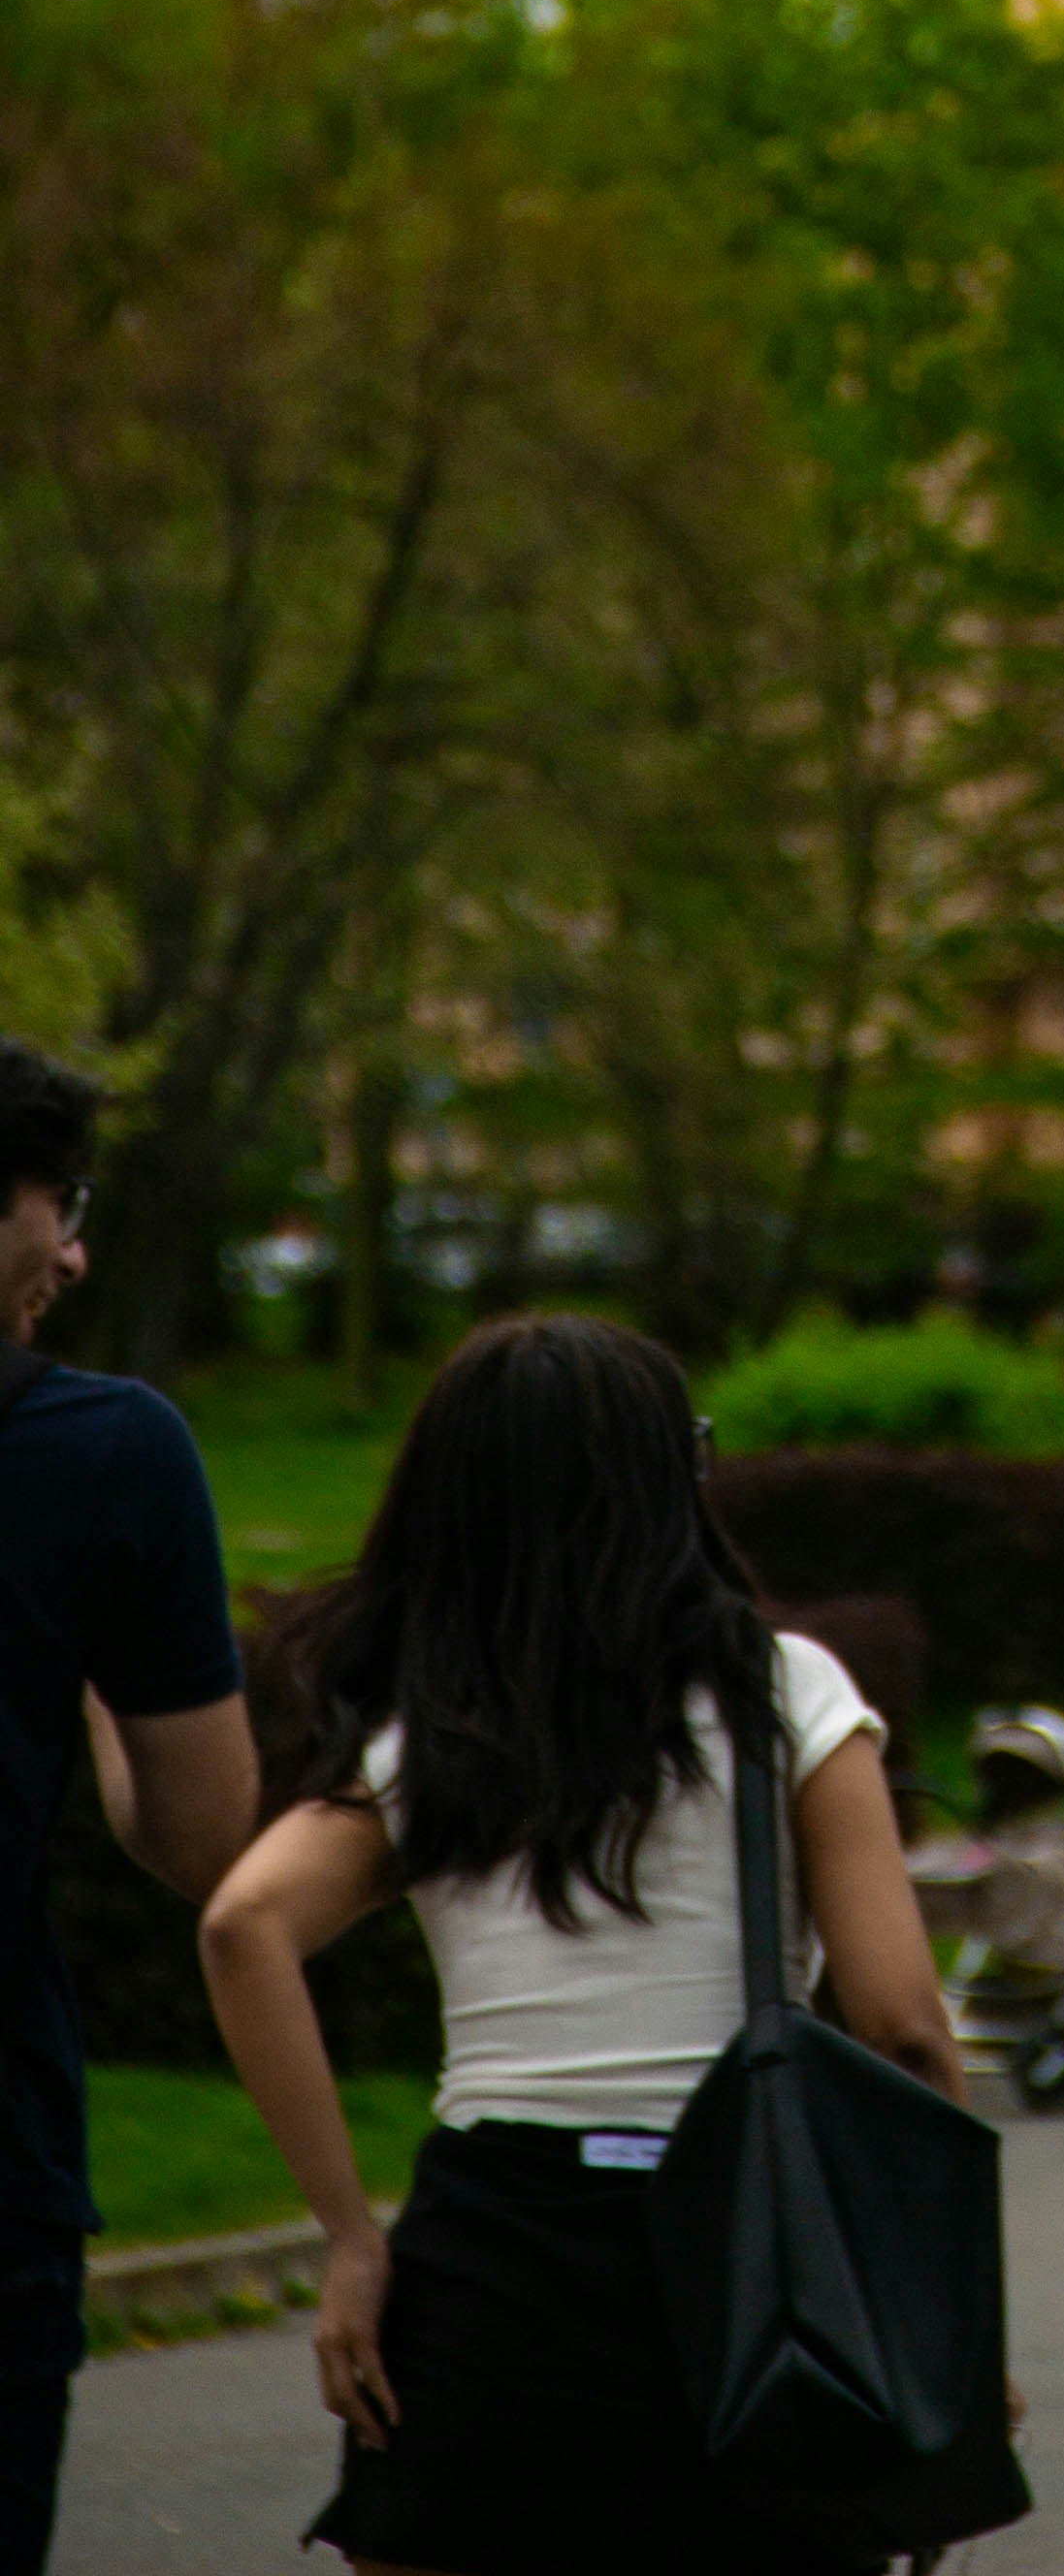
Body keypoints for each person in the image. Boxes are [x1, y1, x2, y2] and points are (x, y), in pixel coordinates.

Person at [198, 1312, 981, 2576]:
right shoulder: (787, 1693)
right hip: (751, 2254)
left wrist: (348, 2236)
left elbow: (244, 1924)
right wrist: (949, 2320)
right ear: (674, 1481)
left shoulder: (430, 1725)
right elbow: (899, 2022)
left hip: (493, 2257)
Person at [0, 1042, 259, 2576]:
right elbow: (207, 1838)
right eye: (63, 1202)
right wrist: (100, 1685)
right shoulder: (106, 1455)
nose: (77, 1251)